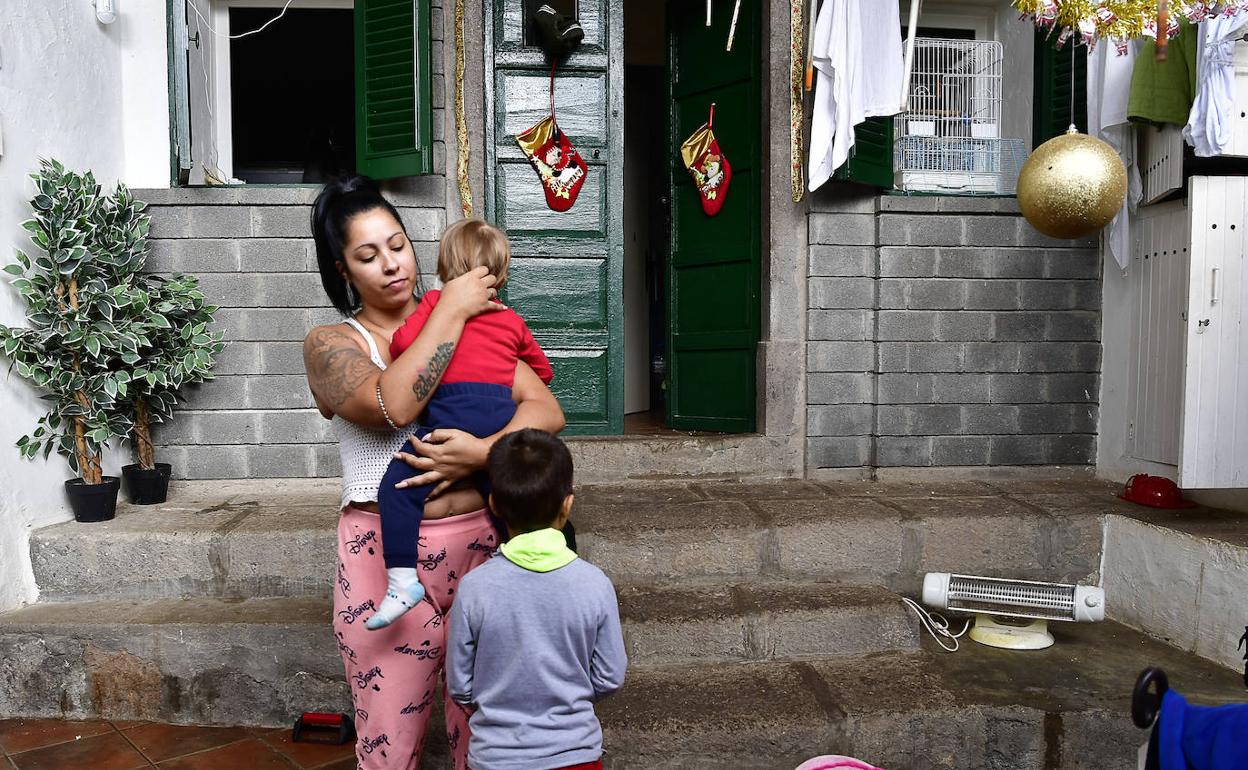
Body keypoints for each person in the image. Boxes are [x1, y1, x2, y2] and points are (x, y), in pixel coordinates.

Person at [304, 176, 565, 770]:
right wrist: (449, 308)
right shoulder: (332, 343)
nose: (392, 266)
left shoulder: (474, 327)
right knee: (390, 745)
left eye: (398, 245)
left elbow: (544, 410)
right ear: (344, 270)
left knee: (491, 736)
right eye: (368, 256)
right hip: (385, 558)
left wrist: (482, 452)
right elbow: (391, 405)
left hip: (484, 549)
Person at [367, 218, 554, 631]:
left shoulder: (436, 305)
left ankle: (401, 581)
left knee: (395, 490)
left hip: (447, 420)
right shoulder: (511, 320)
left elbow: (402, 346)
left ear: (444, 268)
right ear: (501, 275)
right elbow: (541, 370)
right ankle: (540, 571)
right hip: (498, 419)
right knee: (509, 503)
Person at [448, 429, 626, 770]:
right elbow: (609, 676)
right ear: (567, 504)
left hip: (495, 757)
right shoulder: (594, 584)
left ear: (494, 504)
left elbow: (460, 685)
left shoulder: (475, 587)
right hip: (576, 754)